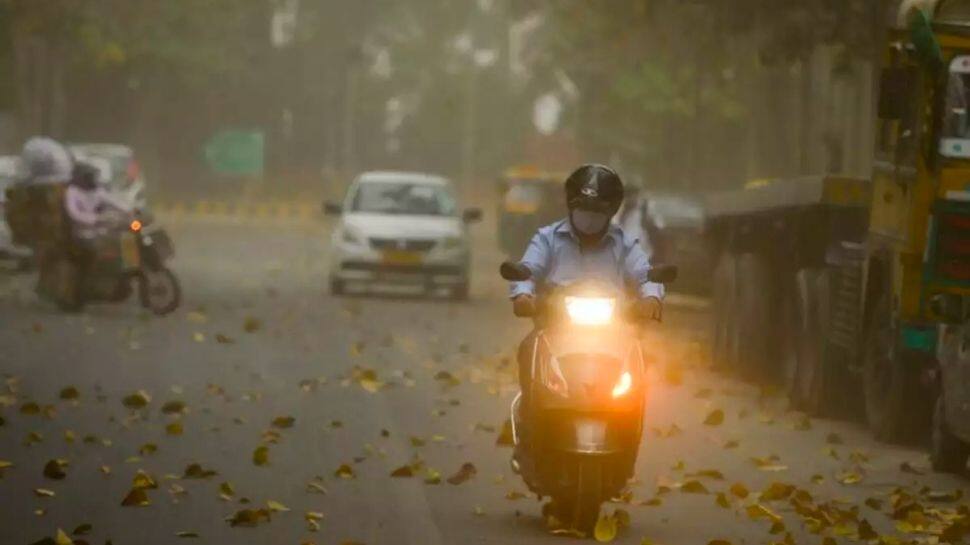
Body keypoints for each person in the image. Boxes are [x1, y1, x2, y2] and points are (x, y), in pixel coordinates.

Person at [507, 163, 664, 467]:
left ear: (610, 212)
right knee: (528, 350)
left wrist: (651, 299)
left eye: (597, 213)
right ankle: (528, 428)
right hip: (555, 329)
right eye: (583, 211)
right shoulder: (547, 238)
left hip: (613, 334)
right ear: (570, 207)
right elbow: (527, 269)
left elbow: (647, 274)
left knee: (638, 373)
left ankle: (627, 444)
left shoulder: (624, 244)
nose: (589, 220)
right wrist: (523, 294)